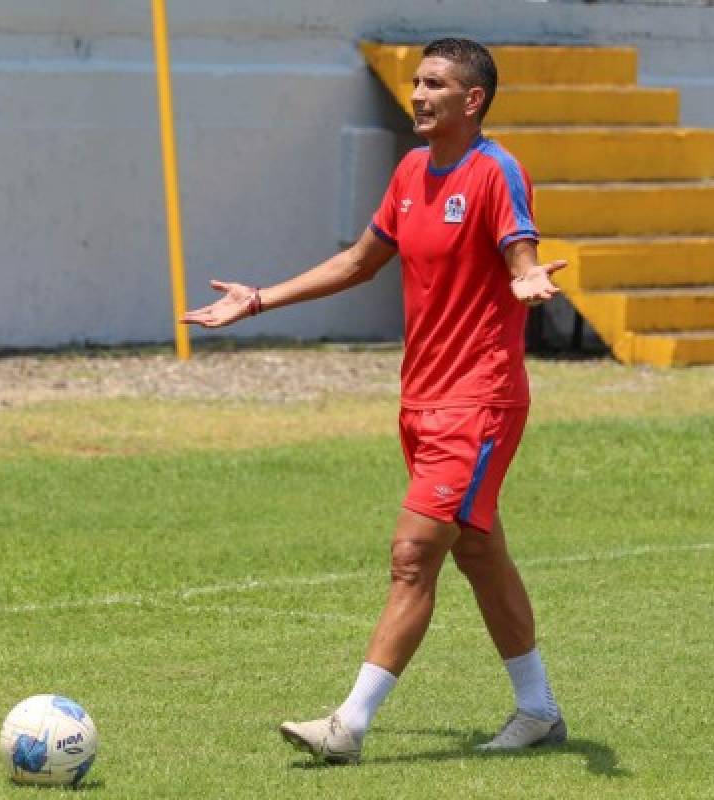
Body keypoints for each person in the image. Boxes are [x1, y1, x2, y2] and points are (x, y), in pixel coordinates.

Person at [181, 37, 567, 766]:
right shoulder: (412, 171)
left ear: (472, 100)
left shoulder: (496, 173)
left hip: (478, 402)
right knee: (480, 553)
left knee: (412, 557)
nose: (418, 94)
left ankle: (348, 725)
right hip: (420, 400)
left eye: (435, 84)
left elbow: (520, 250)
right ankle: (539, 711)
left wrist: (526, 281)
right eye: (416, 81)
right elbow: (360, 260)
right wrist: (258, 300)